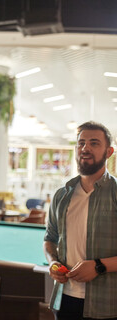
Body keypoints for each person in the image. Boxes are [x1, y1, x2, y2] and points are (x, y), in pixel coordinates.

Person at [44, 121, 117, 320]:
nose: (85, 148)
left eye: (94, 143)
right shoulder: (61, 195)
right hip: (65, 299)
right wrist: (53, 263)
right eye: (81, 143)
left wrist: (98, 266)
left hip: (108, 304)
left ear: (108, 152)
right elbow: (49, 239)